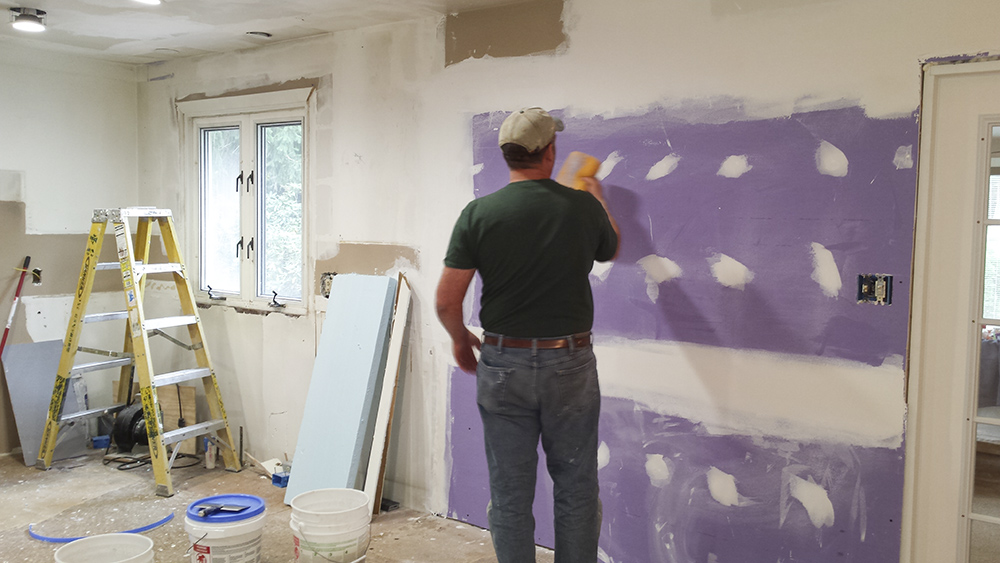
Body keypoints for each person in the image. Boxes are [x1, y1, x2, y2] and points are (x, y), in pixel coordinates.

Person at [436, 107, 620, 563]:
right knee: (576, 489)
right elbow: (611, 247)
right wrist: (598, 200)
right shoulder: (581, 207)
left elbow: (446, 300)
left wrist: (461, 340)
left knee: (510, 494)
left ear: (508, 156)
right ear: (549, 151)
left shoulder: (479, 214)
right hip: (570, 364)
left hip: (502, 364)